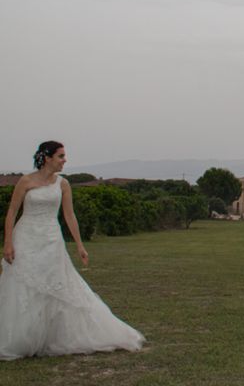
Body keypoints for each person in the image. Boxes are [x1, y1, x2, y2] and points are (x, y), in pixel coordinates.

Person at [0, 141, 145, 360]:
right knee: (23, 286)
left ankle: (50, 336)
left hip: (51, 240)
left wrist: (80, 245)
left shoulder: (63, 184)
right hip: (26, 237)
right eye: (60, 156)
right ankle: (21, 338)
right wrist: (8, 242)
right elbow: (11, 212)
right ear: (47, 158)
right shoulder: (26, 181)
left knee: (55, 285)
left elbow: (69, 216)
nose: (64, 160)